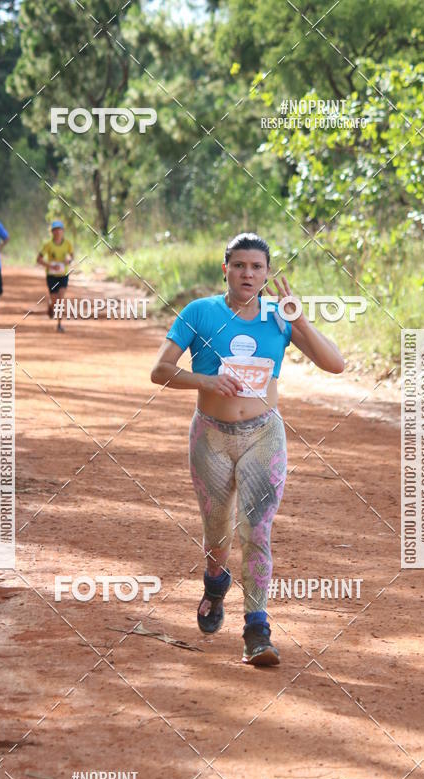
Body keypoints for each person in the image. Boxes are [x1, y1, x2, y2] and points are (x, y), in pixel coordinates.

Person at [151, 232, 345, 667]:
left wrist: (301, 321)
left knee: (256, 531)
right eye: (239, 265)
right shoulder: (199, 312)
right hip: (210, 438)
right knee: (218, 535)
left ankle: (257, 630)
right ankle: (214, 584)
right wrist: (204, 380)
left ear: (267, 273)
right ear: (225, 269)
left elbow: (336, 364)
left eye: (257, 267)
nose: (248, 274)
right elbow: (159, 370)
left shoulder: (280, 317)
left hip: (264, 436)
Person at [36, 220, 73, 333]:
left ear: (63, 231)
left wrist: (69, 260)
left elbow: (71, 256)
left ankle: (59, 324)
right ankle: (50, 306)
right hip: (52, 276)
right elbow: (39, 259)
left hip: (63, 275)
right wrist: (50, 266)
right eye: (55, 230)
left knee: (61, 299)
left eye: (59, 229)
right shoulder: (48, 245)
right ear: (52, 232)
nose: (57, 232)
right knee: (54, 300)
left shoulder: (67, 244)